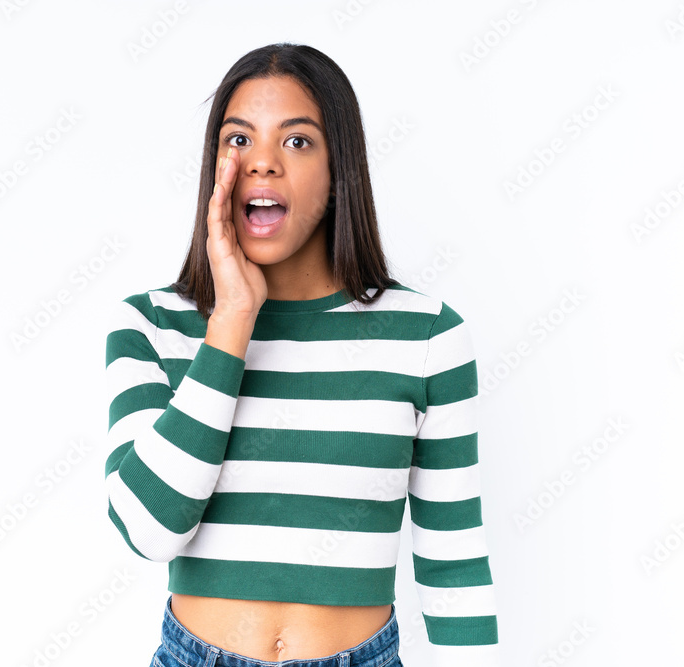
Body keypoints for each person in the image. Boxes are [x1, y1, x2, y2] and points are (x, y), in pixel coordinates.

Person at [104, 43, 501, 667]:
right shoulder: (154, 325)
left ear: (339, 168)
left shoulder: (427, 336)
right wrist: (232, 322)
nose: (262, 163)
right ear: (216, 165)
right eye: (239, 139)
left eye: (296, 142)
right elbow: (149, 529)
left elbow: (454, 564)